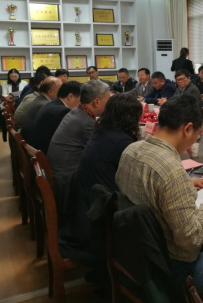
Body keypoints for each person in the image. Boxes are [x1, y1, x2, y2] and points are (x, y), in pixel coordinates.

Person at [116, 95, 203, 301]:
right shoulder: (171, 171)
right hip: (171, 265)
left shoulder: (131, 150)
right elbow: (190, 240)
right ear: (187, 128)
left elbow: (151, 185)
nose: (197, 139)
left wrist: (184, 183)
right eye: (199, 134)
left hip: (136, 252)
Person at [66, 93, 143, 257]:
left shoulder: (101, 131)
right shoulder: (122, 142)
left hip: (85, 207)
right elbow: (140, 180)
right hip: (101, 218)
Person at [48, 80, 111, 223]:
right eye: (108, 100)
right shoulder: (86, 122)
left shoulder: (77, 112)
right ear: (96, 102)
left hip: (59, 172)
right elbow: (99, 153)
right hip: (67, 180)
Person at [32, 81, 82, 154]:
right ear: (70, 96)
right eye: (80, 99)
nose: (81, 103)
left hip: (37, 149)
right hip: (47, 154)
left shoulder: (52, 104)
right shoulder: (62, 111)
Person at [21, 77, 63, 145]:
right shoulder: (46, 105)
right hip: (33, 144)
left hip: (28, 140)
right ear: (50, 92)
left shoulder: (40, 99)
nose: (63, 92)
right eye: (61, 89)